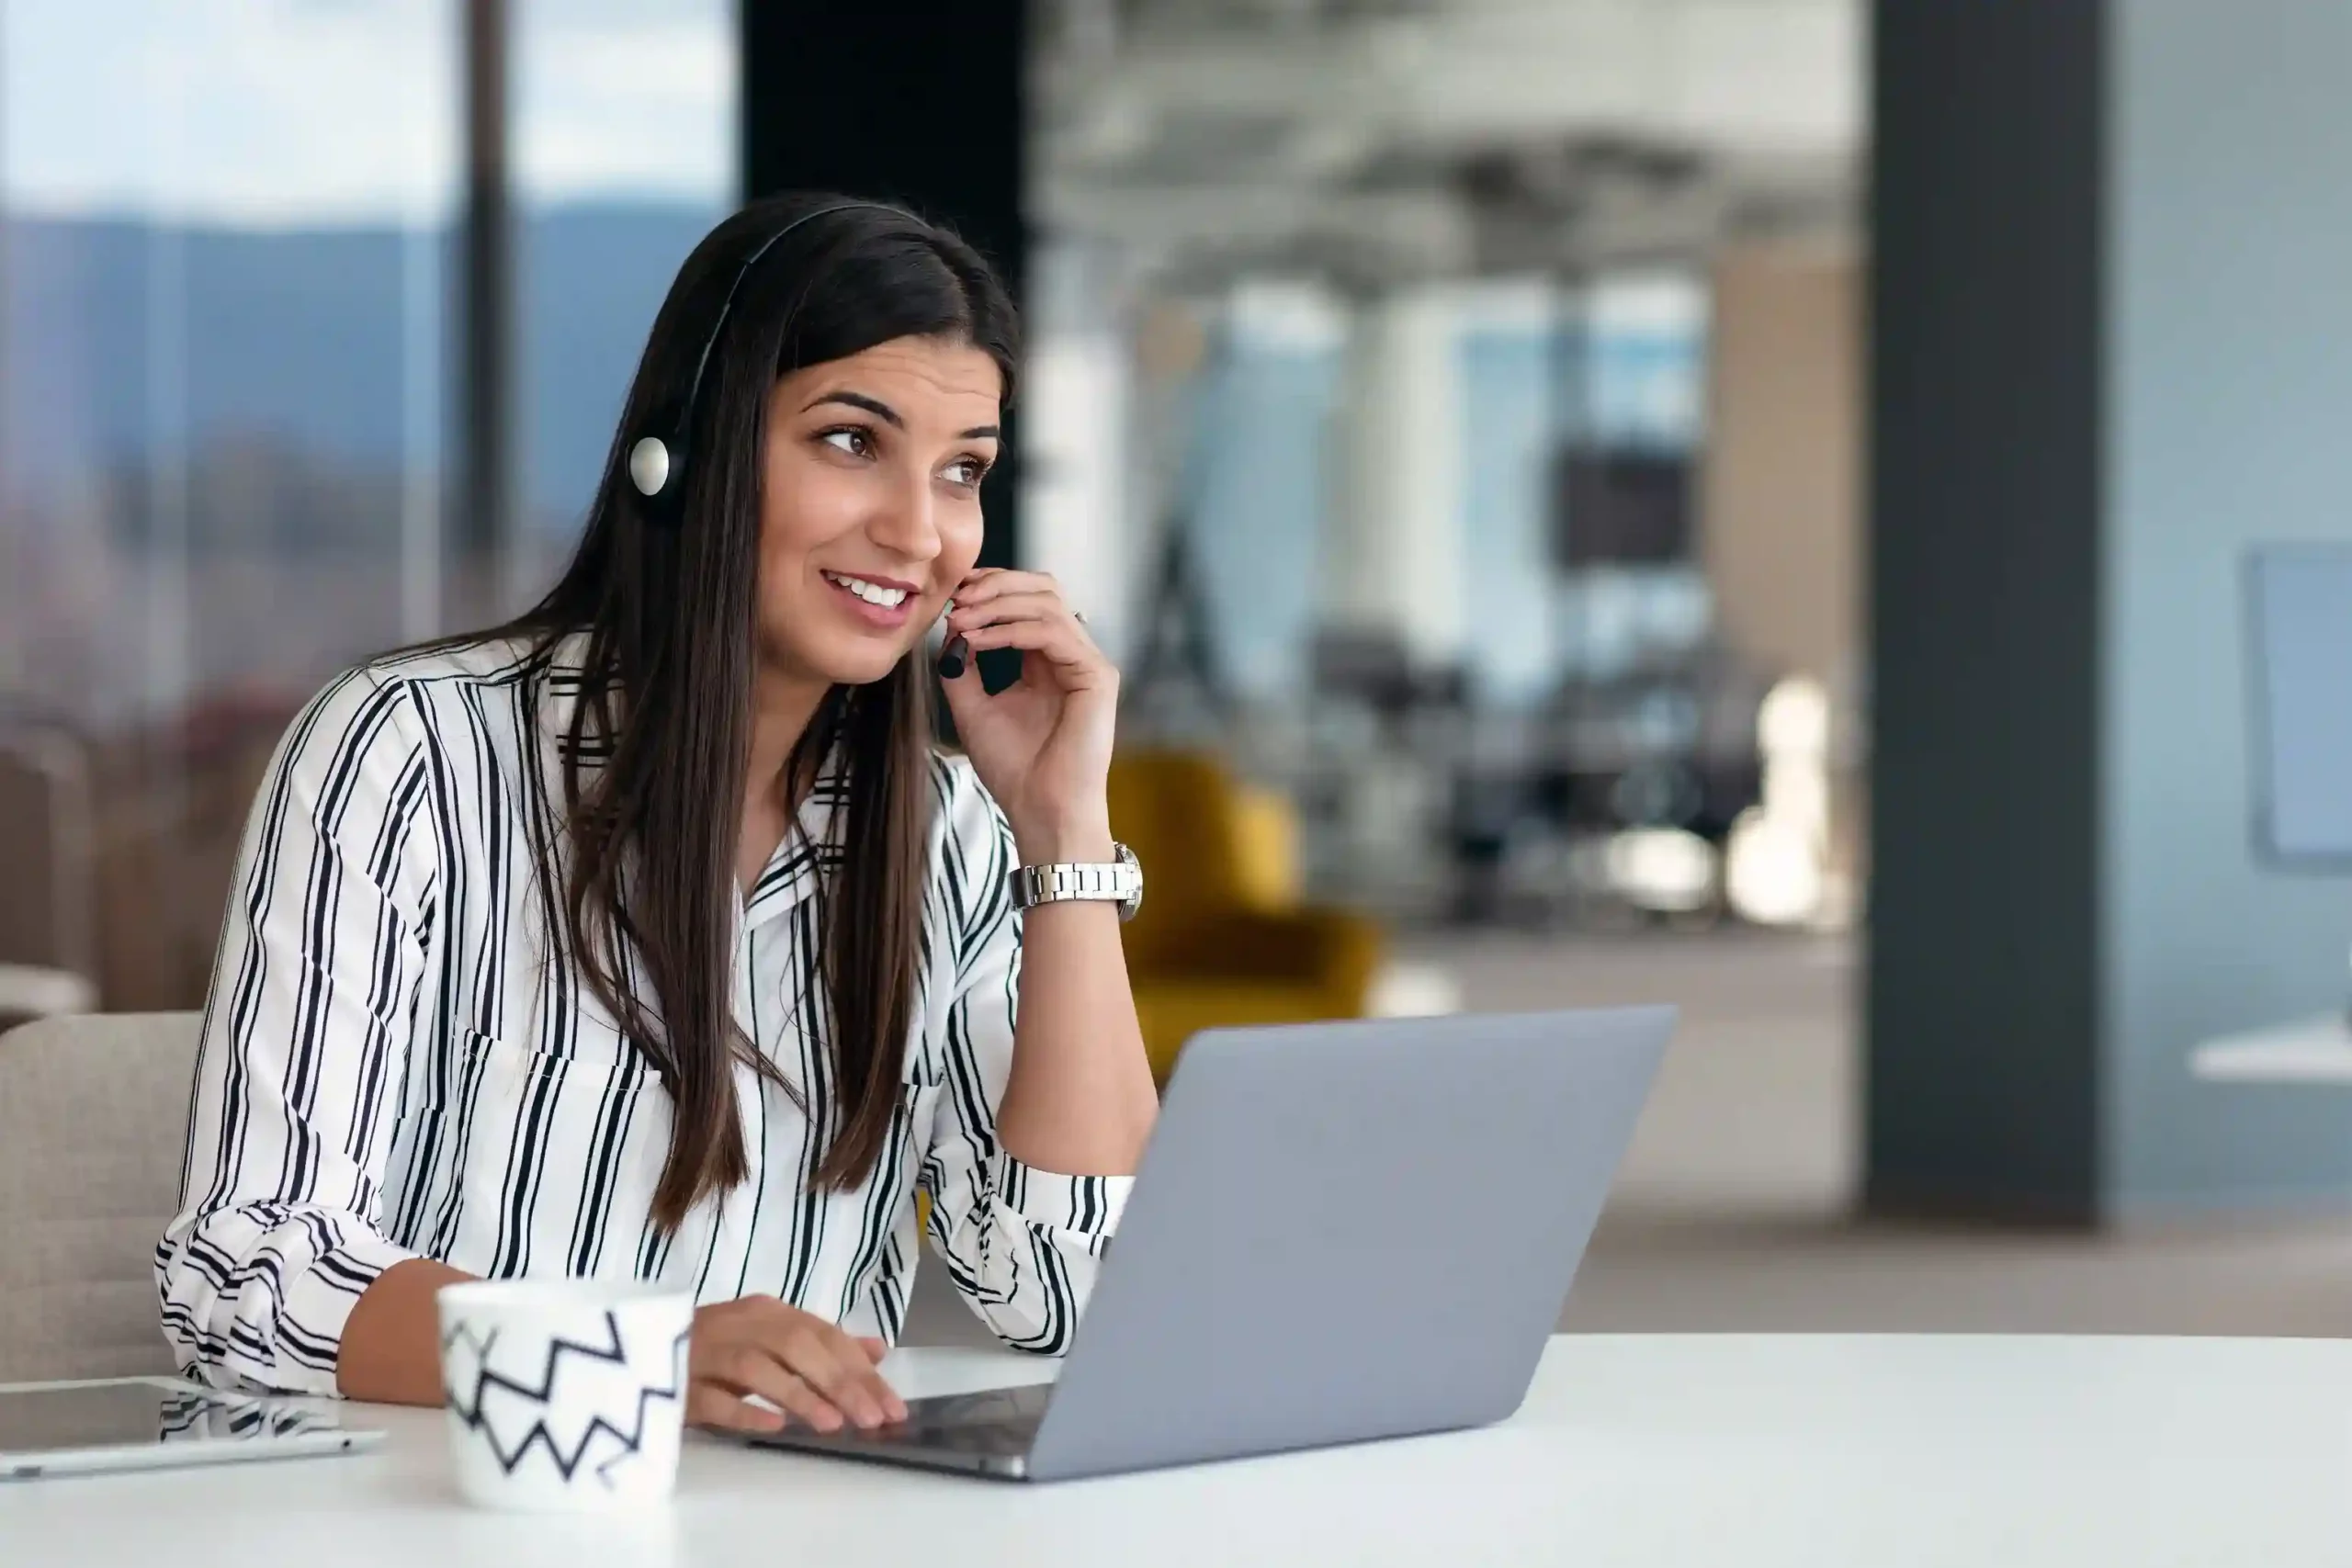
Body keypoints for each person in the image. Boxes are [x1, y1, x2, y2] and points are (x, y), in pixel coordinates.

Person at [154, 196, 1158, 1437]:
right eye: (853, 441)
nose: (920, 529)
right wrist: (640, 1357)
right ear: (680, 453)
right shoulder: (411, 753)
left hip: (793, 1527)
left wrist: (1064, 838)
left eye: (964, 470)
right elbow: (248, 1271)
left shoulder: (946, 829)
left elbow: (1079, 1293)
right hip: (435, 1516)